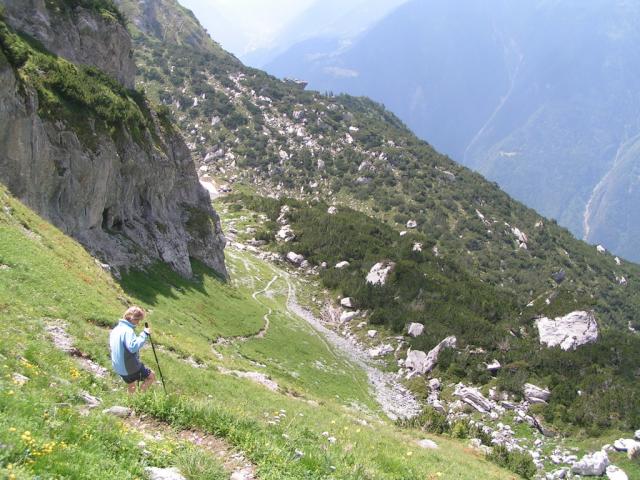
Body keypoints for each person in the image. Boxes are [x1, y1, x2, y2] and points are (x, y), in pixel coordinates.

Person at [109, 306, 156, 393]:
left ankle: (130, 403)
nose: (138, 323)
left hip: (118, 367)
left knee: (131, 384)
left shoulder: (116, 330)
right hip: (129, 367)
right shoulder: (128, 331)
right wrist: (144, 334)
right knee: (151, 376)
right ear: (133, 319)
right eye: (138, 320)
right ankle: (139, 399)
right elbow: (133, 347)